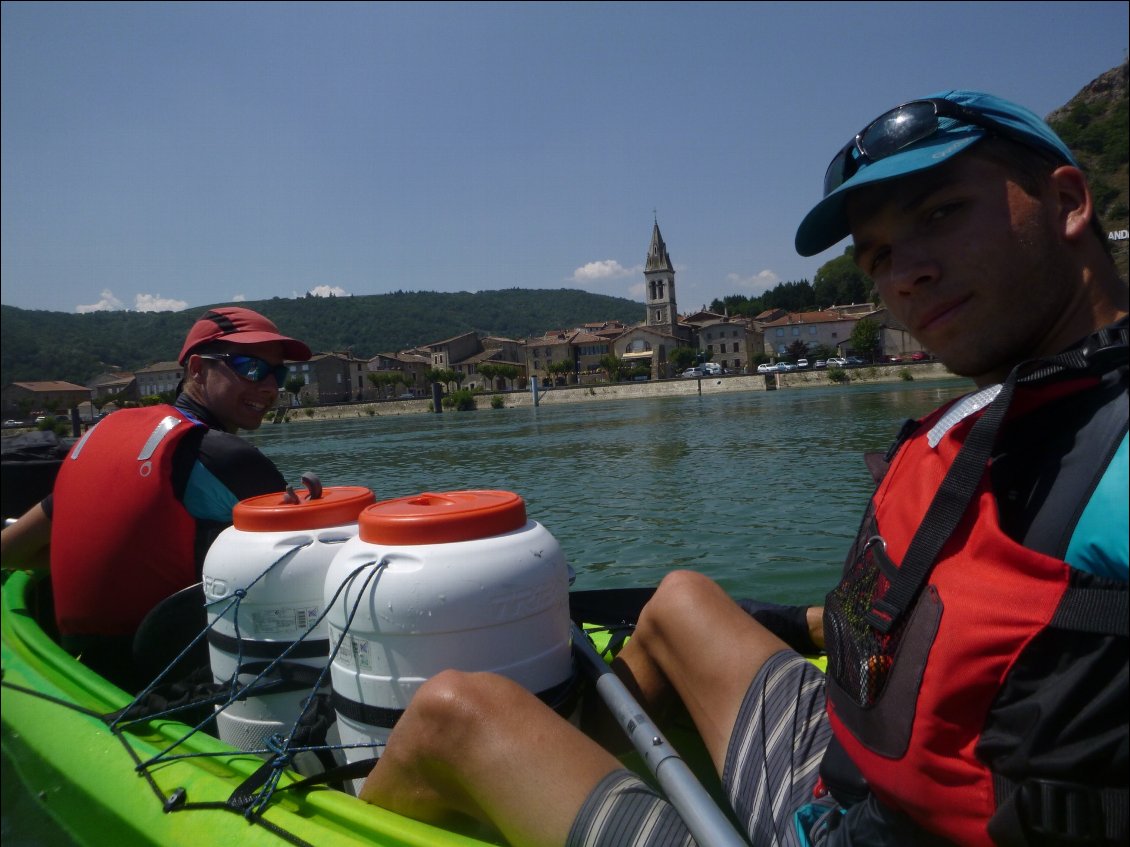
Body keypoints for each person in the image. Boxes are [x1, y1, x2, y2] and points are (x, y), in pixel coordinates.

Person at [356, 90, 1128, 846]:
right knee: (681, 600)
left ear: (1066, 201)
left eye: (942, 213)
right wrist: (816, 623)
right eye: (879, 255)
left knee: (452, 713)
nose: (905, 275)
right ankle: (549, 781)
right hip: (842, 785)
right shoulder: (1023, 408)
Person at [0, 306, 312, 689]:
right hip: (173, 685)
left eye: (278, 373)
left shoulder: (103, 438)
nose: (269, 386)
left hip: (85, 672)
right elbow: (308, 575)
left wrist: (121, 558)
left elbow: (10, 551)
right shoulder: (229, 459)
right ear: (197, 369)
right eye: (250, 368)